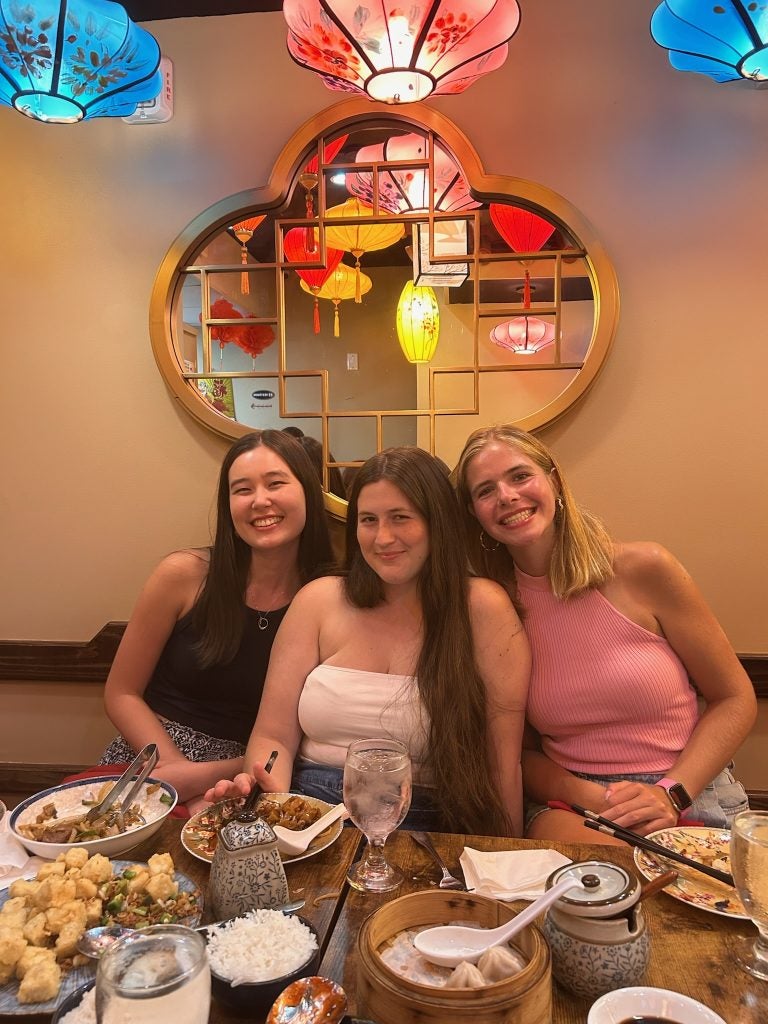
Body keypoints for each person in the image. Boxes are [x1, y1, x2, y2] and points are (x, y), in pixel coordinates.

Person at [453, 425, 756, 842]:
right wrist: (595, 797)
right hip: (576, 803)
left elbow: (735, 698)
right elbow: (517, 749)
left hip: (690, 789)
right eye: (485, 490)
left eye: (520, 476)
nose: (506, 496)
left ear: (554, 480)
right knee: (592, 889)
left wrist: (671, 794)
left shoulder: (644, 568)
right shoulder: (494, 605)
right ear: (473, 512)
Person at [207, 445, 530, 835]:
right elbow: (273, 734)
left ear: (437, 524)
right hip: (307, 813)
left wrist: (510, 857)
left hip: (427, 823)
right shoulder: (320, 599)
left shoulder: (482, 607)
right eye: (368, 520)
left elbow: (502, 764)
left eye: (400, 518)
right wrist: (267, 792)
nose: (383, 538)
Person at [100, 430, 334, 812]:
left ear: (308, 491)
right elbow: (121, 693)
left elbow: (302, 737)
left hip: (251, 776)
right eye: (242, 490)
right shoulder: (184, 575)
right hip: (150, 759)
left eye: (276, 484)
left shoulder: (329, 598)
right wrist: (175, 770)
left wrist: (204, 778)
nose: (260, 501)